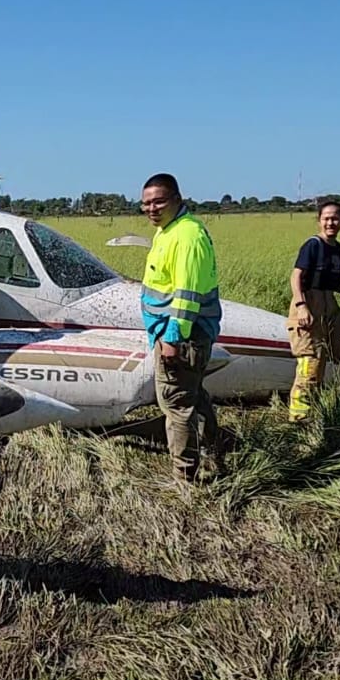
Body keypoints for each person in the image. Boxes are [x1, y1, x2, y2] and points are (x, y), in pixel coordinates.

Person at [139, 173, 222, 481]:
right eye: (146, 203)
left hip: (181, 337)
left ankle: (184, 477)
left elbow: (187, 296)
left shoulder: (187, 236)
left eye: (158, 201)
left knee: (176, 406)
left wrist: (173, 338)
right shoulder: (168, 230)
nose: (151, 208)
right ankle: (213, 451)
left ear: (176, 198)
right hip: (170, 333)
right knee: (192, 396)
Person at [286, 200, 340, 420]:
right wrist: (301, 306)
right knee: (309, 362)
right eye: (326, 218)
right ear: (319, 220)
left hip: (329, 304)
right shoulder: (313, 245)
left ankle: (339, 406)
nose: (330, 222)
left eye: (335, 218)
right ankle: (299, 419)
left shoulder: (337, 247)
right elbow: (296, 276)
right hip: (308, 304)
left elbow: (326, 278)